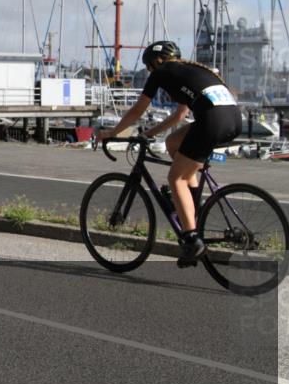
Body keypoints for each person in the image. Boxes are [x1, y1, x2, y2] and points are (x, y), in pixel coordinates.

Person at [98, 40, 241, 267]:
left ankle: (192, 239)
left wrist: (112, 132)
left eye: (148, 67)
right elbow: (180, 115)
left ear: (156, 61)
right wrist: (149, 133)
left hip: (212, 122)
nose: (149, 71)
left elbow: (137, 109)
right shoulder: (192, 69)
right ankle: (190, 209)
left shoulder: (162, 72)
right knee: (173, 142)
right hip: (233, 119)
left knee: (176, 177)